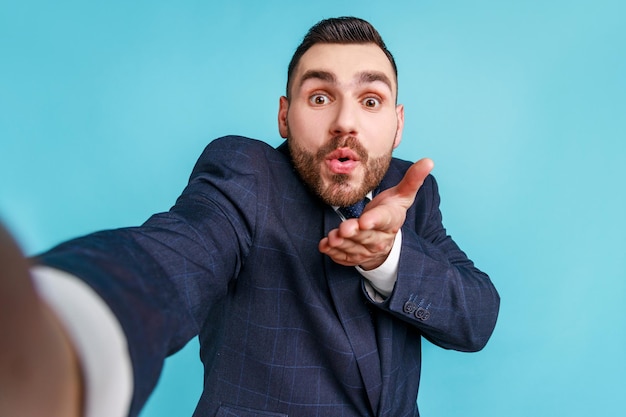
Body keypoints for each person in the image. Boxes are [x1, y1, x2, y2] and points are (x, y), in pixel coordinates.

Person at [0, 16, 499, 417]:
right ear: (284, 115)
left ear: (397, 124)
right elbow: (182, 250)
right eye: (320, 97)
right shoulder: (247, 173)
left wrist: (388, 258)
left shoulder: (415, 192)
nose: (345, 121)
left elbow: (477, 317)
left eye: (371, 100)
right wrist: (63, 327)